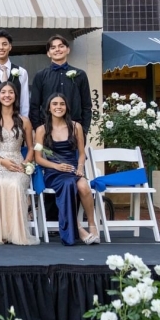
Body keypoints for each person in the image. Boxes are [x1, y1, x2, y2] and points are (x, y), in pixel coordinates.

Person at [29, 35, 92, 225]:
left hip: (73, 134)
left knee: (74, 175)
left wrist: (83, 130)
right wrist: (40, 131)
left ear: (67, 49)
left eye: (61, 46)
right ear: (48, 52)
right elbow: (35, 106)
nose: (57, 49)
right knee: (53, 173)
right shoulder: (41, 75)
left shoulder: (79, 75)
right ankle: (52, 219)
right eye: (53, 47)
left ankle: (74, 220)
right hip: (48, 136)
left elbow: (87, 106)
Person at [34, 93, 99, 246]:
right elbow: (38, 158)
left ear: (66, 107)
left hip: (72, 169)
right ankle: (77, 228)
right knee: (69, 184)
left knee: (83, 186)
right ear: (49, 108)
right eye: (55, 104)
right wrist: (56, 166)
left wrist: (80, 168)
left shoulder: (76, 127)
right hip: (53, 172)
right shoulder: (41, 130)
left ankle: (92, 224)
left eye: (62, 104)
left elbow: (82, 154)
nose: (58, 107)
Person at [0, 82, 39, 245]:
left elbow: (31, 147)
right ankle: (3, 233)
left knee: (14, 184)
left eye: (10, 92)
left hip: (18, 164)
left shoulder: (24, 120)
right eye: (3, 92)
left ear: (16, 96)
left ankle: (17, 233)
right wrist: (2, 161)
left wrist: (26, 163)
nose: (7, 95)